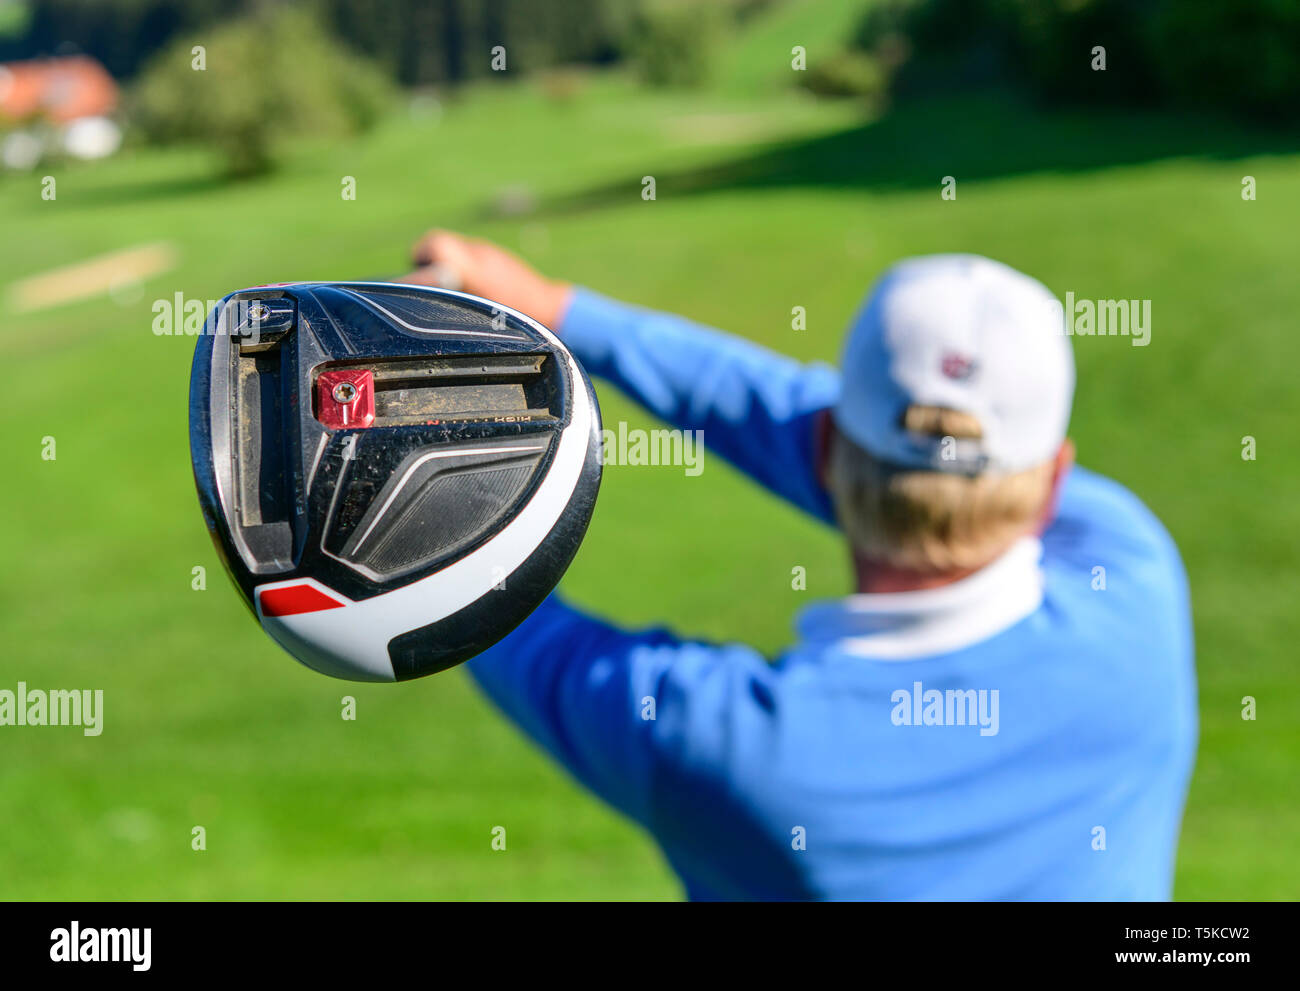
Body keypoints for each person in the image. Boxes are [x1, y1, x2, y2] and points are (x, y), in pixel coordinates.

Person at [402, 232, 1198, 901]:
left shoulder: (729, 751)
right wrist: (564, 314)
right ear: (1055, 477)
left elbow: (471, 603)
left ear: (823, 451)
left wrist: (558, 312)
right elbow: (479, 597)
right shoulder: (1135, 577)